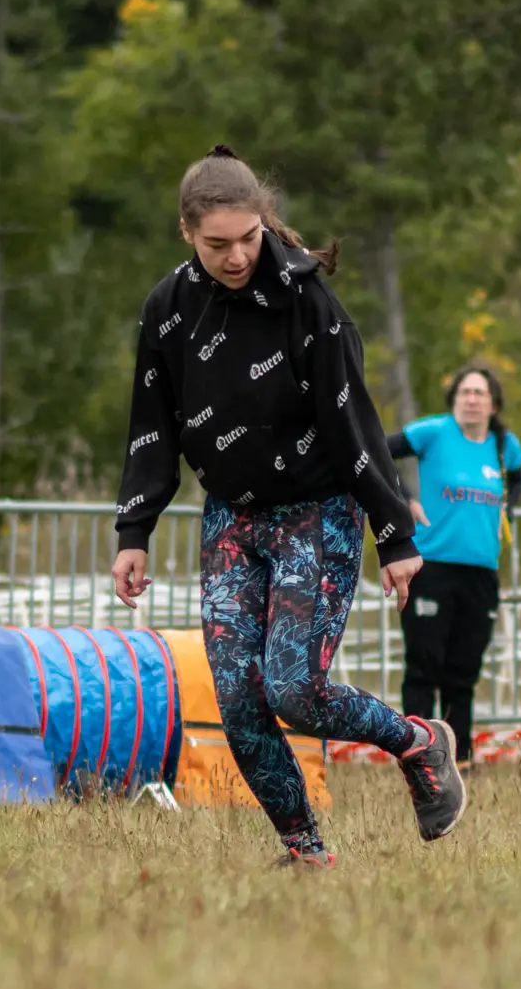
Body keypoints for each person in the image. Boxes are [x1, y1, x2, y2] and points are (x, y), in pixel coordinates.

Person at [108, 145, 466, 867]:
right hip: (233, 518)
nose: (238, 256)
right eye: (218, 244)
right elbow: (152, 425)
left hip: (318, 510)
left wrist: (394, 535)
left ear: (263, 223)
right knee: (238, 703)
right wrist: (134, 528)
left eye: (248, 238)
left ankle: (419, 742)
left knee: (294, 690)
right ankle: (305, 852)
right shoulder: (167, 310)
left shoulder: (307, 301)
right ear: (186, 233)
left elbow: (354, 422)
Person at [385, 365, 521, 769]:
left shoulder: (504, 446)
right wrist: (401, 497)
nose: (471, 399)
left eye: (479, 393)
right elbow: (375, 449)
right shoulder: (433, 432)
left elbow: (517, 479)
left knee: (463, 672)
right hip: (432, 567)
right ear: (454, 399)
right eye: (464, 392)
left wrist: (508, 508)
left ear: (493, 403)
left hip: (481, 573)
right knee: (424, 665)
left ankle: (459, 760)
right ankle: (418, 756)